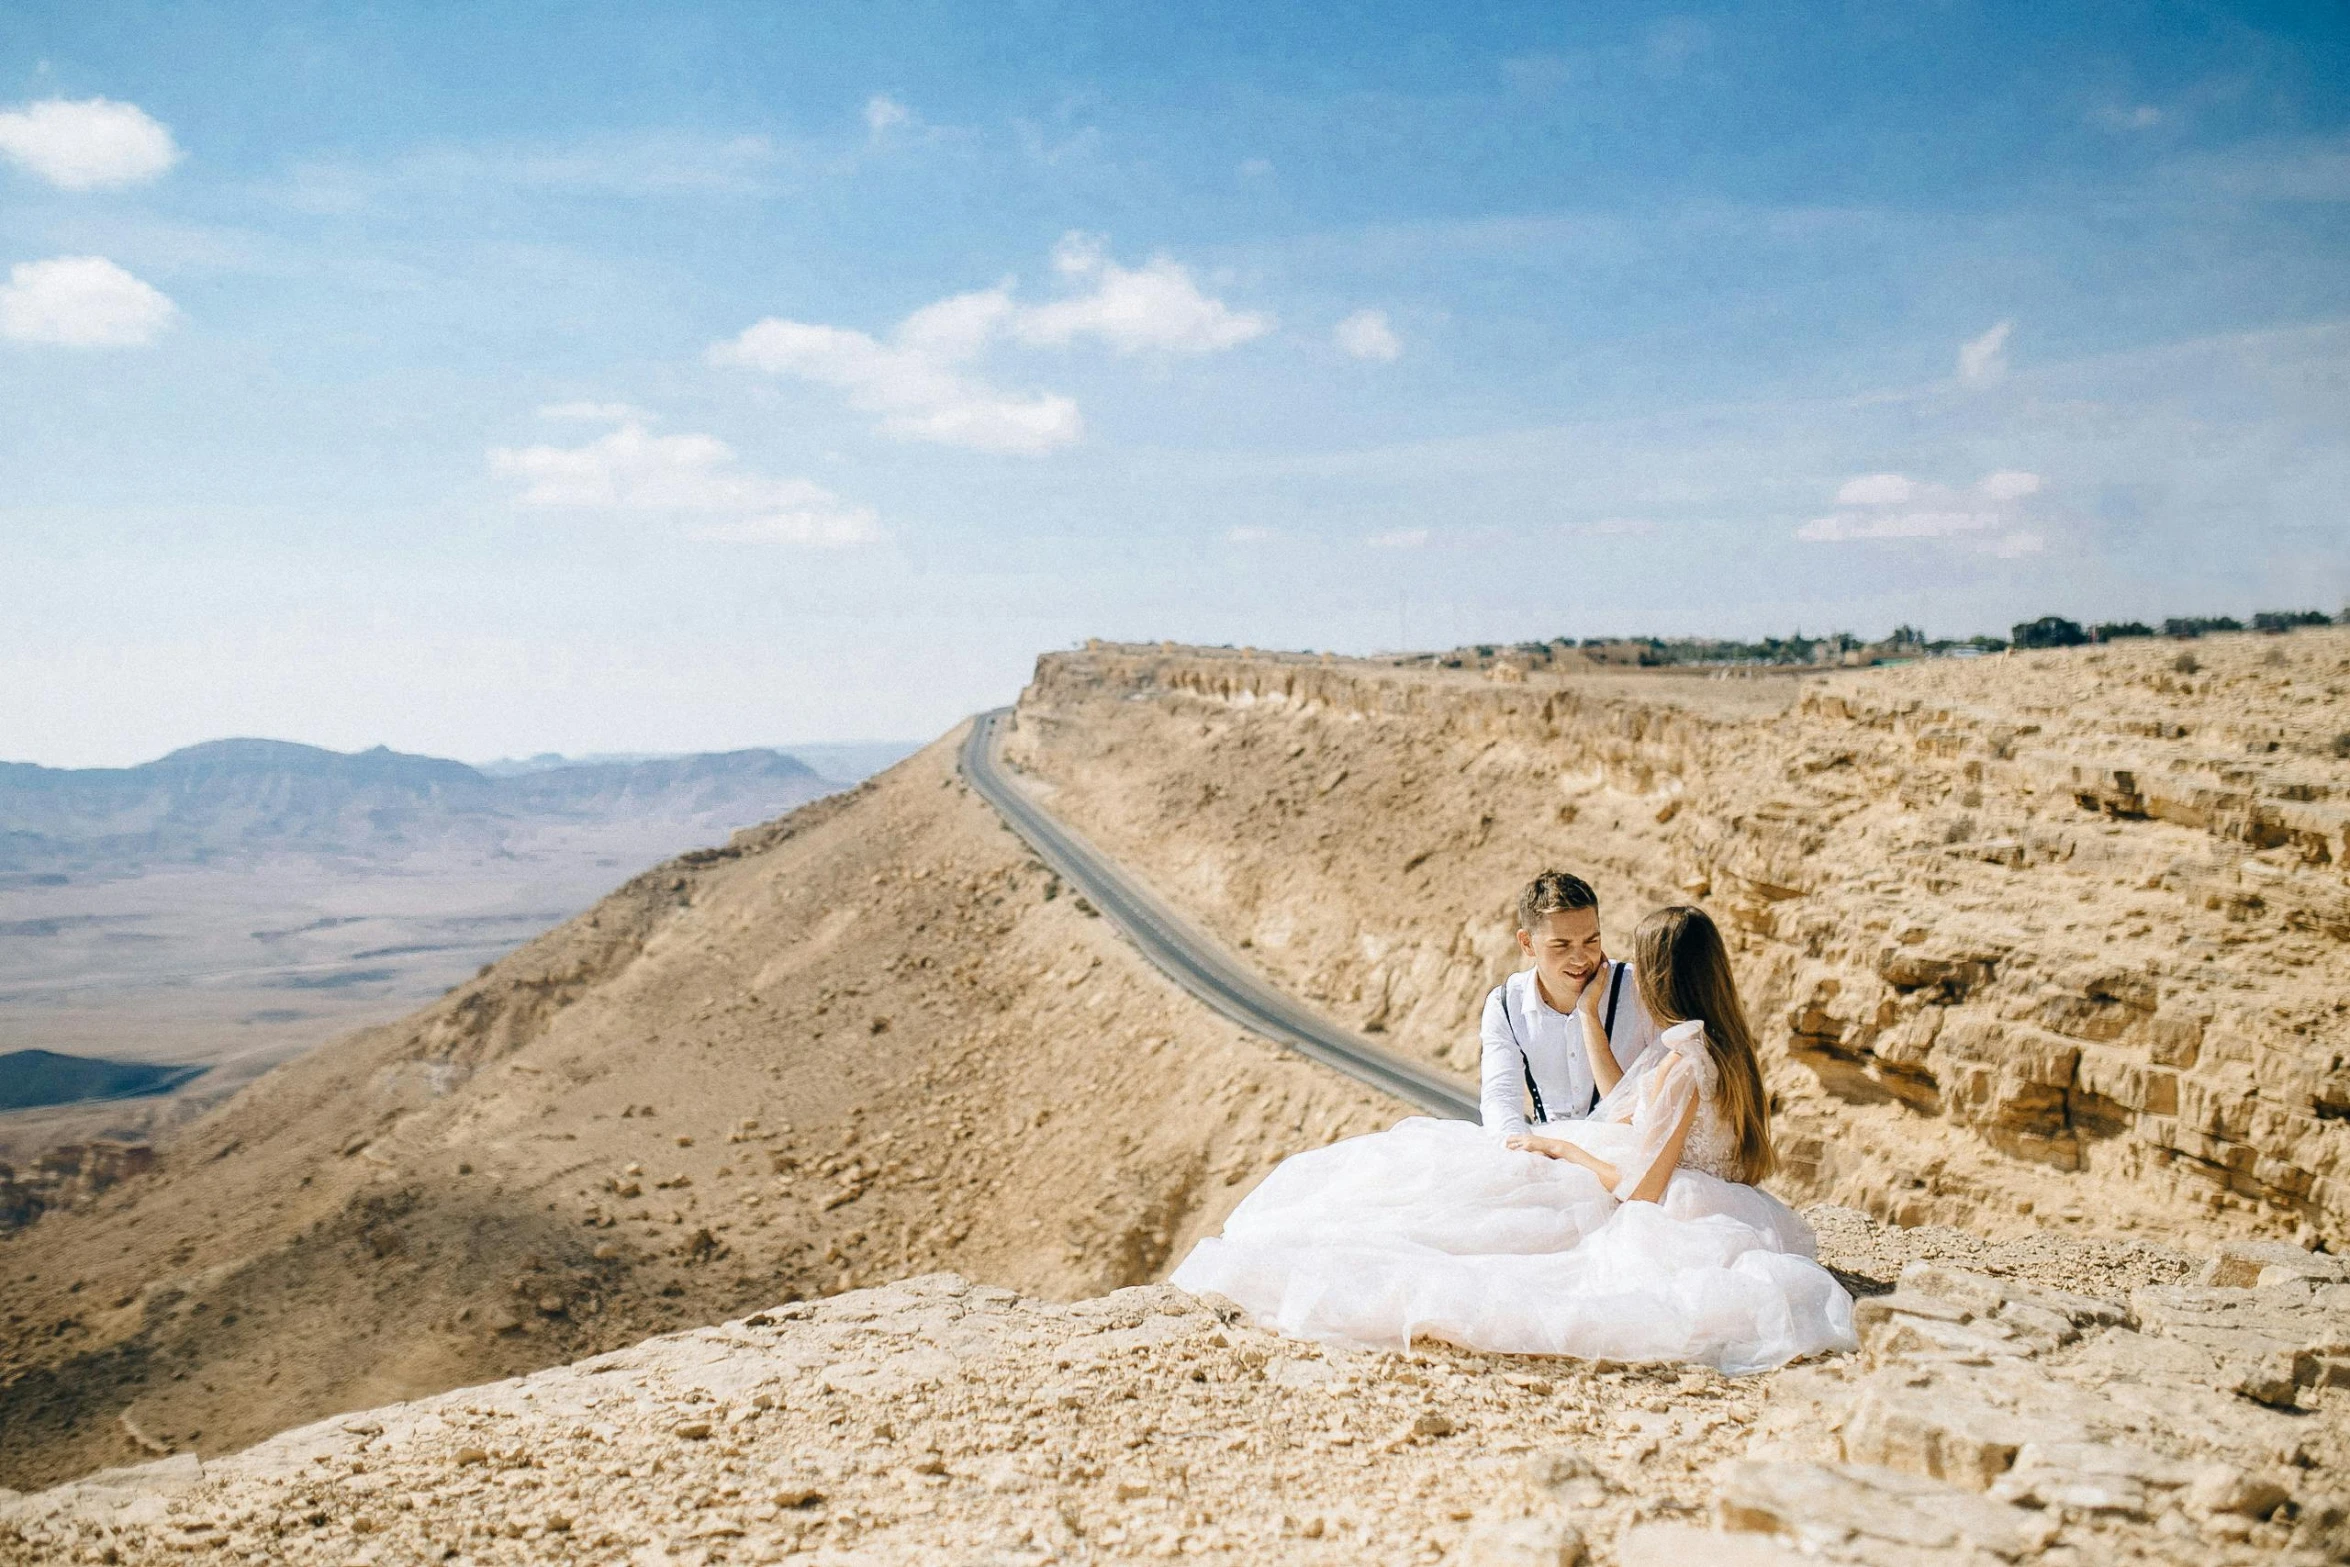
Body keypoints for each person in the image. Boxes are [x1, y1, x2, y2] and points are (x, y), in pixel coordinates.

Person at [1170, 905, 1855, 1374]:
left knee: (1492, 1217)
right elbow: (1633, 1106)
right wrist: (1590, 1018)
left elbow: (1644, 1186)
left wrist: (1569, 1150)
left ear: (1660, 977)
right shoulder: (1713, 1048)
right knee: (1494, 1183)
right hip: (1679, 1180)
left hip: (1660, 1200)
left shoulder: (1683, 1061)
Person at [1481, 870, 1662, 1138]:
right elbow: (1500, 1099)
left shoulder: (1639, 989)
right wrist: (1520, 1155)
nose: (1580, 958)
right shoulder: (1505, 1004)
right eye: (1561, 945)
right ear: (1527, 943)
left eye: (1591, 941)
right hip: (1547, 1155)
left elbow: (1665, 1094)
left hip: (1626, 1150)